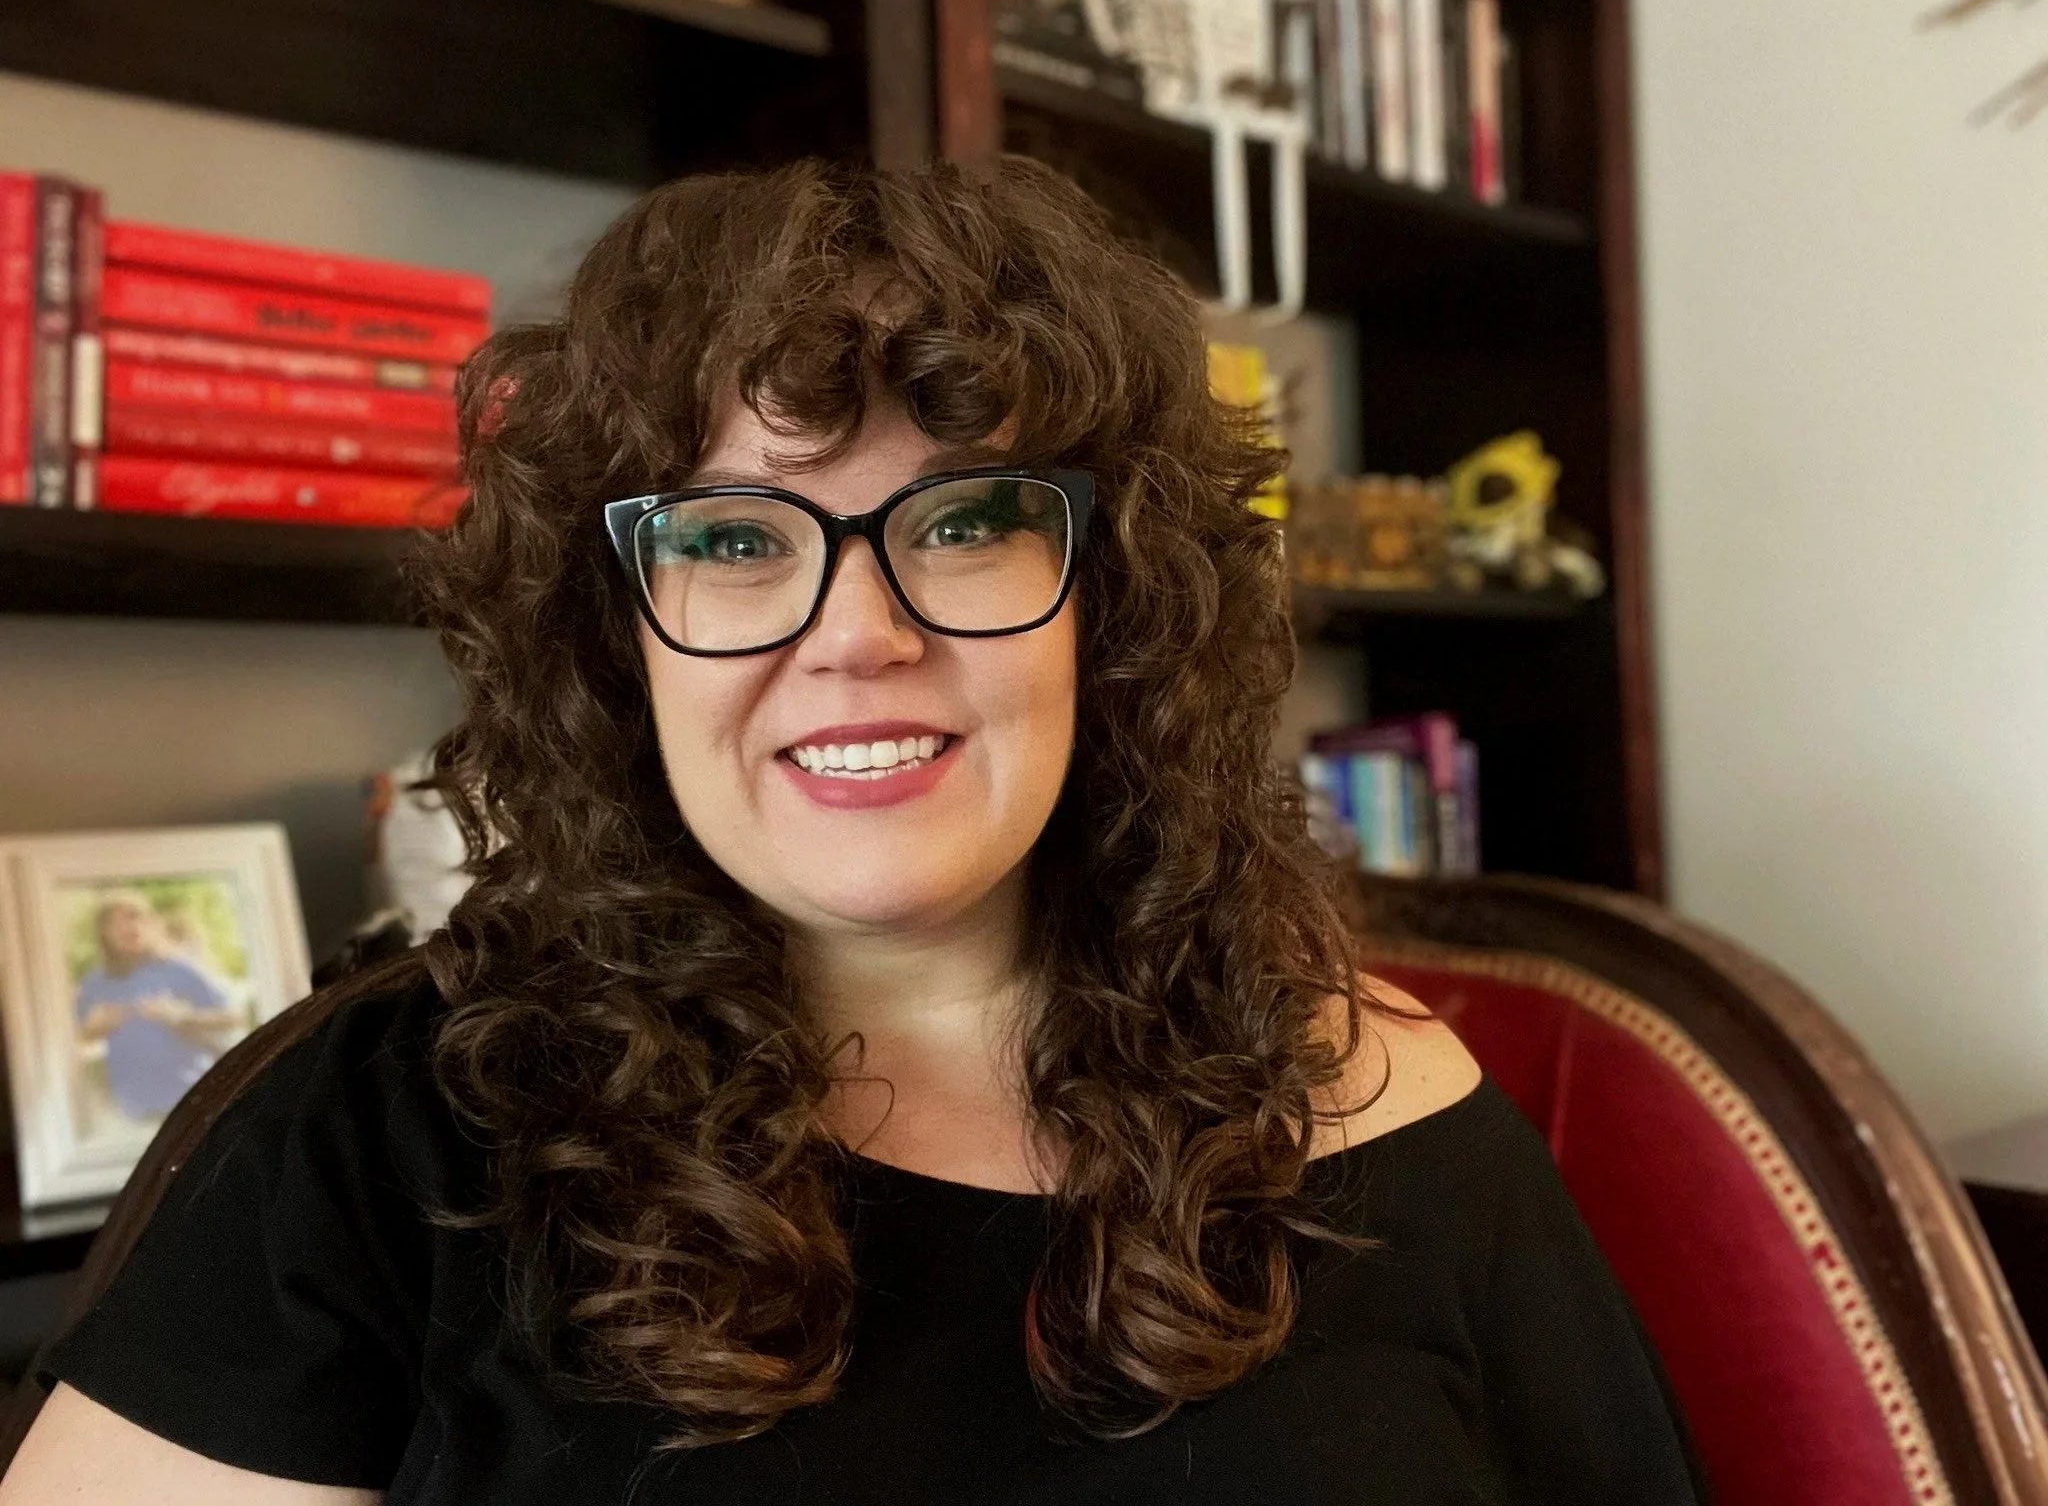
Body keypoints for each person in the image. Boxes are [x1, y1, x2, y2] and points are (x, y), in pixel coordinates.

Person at [0, 158, 1705, 1505]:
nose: (853, 632)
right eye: (735, 538)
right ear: (618, 638)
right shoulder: (373, 1147)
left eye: (959, 519)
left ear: (1107, 607)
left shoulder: (1394, 1114)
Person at [72, 892, 240, 1122]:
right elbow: (78, 1039)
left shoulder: (178, 968)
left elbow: (233, 1018)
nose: (129, 927)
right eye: (117, 922)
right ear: (105, 933)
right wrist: (95, 1028)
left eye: (135, 918)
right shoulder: (94, 983)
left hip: (193, 1101)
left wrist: (183, 1017)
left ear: (150, 924)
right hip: (131, 1110)